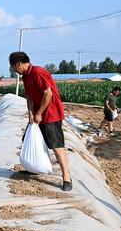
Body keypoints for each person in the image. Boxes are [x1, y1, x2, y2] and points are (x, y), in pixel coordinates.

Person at [9, 51, 73, 191]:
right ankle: (34, 167)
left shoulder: (38, 72)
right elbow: (29, 97)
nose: (14, 70)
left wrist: (39, 113)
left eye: (14, 67)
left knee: (56, 146)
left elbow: (48, 93)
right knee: (31, 139)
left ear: (18, 64)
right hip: (38, 114)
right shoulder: (25, 77)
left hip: (51, 114)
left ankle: (66, 178)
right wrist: (31, 113)